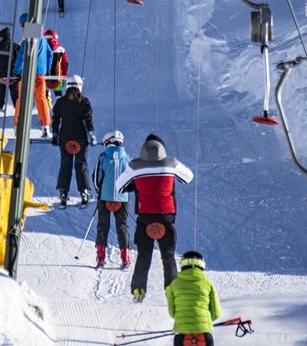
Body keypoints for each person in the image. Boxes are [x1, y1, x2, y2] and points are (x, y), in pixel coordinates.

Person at [115, 134, 194, 302]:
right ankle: (172, 292)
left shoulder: (135, 166)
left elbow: (119, 186)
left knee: (144, 255)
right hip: (167, 216)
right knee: (168, 255)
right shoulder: (171, 163)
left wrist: (135, 183)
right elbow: (188, 178)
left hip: (145, 217)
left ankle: (138, 291)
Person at [50, 74, 93, 206]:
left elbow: (56, 118)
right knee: (81, 165)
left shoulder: (60, 102)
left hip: (65, 139)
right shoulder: (84, 101)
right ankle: (84, 192)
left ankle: (63, 193)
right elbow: (88, 118)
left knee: (65, 166)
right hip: (80, 139)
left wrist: (55, 134)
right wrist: (91, 134)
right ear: (80, 86)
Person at [93, 130, 132, 268]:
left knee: (102, 226)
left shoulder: (103, 157)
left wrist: (100, 192)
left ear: (107, 141)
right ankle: (125, 257)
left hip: (105, 198)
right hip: (122, 198)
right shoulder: (127, 159)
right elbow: (131, 180)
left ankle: (100, 257)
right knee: (122, 227)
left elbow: (97, 179)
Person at [12, 13, 54, 140]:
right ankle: (46, 127)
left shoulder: (28, 39)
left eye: (23, 25)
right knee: (41, 99)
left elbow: (21, 56)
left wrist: (16, 71)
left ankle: (18, 126)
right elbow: (50, 53)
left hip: (27, 74)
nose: (22, 28)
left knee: (22, 99)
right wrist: (47, 68)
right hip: (40, 74)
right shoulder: (42, 38)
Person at [167, 251, 221, 346]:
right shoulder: (208, 285)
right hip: (204, 337)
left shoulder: (174, 285)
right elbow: (216, 314)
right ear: (201, 265)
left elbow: (172, 314)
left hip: (182, 338)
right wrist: (202, 321)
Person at [0, 27, 18, 113]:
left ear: (1, 37)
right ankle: (18, 111)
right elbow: (21, 60)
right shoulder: (16, 47)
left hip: (1, 75)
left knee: (0, 94)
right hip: (13, 75)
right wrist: (19, 73)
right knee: (15, 95)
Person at [44, 29, 69, 98]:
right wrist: (64, 77)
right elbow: (64, 65)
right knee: (58, 96)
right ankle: (59, 106)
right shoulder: (61, 50)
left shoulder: (42, 48)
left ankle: (47, 106)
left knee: (44, 98)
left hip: (44, 78)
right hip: (57, 79)